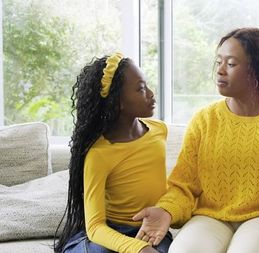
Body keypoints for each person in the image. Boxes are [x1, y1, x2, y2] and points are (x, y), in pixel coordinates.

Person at [132, 27, 259, 253]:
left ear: (256, 71)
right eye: (218, 62)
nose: (219, 70)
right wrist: (166, 211)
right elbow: (183, 187)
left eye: (231, 63)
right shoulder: (204, 120)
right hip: (210, 217)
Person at [54, 53, 172, 253]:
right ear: (118, 102)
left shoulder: (159, 130)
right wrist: (138, 249)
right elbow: (95, 227)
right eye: (141, 89)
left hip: (150, 229)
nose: (151, 94)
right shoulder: (99, 154)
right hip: (108, 233)